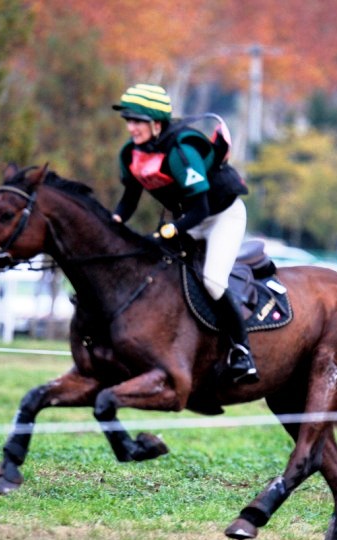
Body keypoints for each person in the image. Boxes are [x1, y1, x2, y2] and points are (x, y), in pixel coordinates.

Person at [110, 83, 257, 384]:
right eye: (128, 120)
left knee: (213, 282)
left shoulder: (181, 151)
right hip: (189, 219)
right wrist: (112, 221)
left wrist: (168, 231)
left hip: (220, 216)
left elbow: (201, 209)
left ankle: (242, 352)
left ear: (155, 122)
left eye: (136, 120)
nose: (130, 127)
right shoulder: (132, 154)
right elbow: (129, 201)